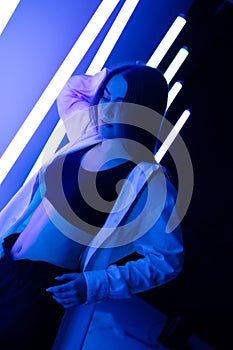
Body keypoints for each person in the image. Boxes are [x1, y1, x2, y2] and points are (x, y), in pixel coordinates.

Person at [0, 62, 184, 349]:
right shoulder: (90, 133)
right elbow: (72, 89)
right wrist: (111, 76)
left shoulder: (148, 179)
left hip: (39, 290)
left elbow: (167, 259)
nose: (106, 109)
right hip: (7, 258)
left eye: (121, 103)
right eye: (106, 97)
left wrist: (96, 283)